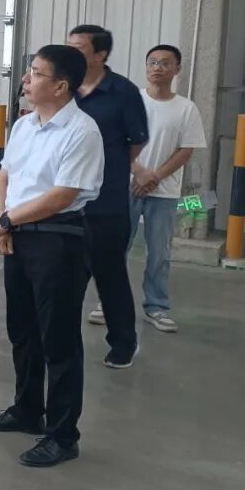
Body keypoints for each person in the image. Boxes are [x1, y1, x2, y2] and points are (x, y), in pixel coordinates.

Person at [0, 45, 103, 468]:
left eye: (35, 73)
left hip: (57, 240)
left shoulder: (82, 132)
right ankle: (27, 409)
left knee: (59, 340)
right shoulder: (24, 125)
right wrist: (0, 222)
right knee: (23, 331)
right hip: (17, 236)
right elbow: (4, 176)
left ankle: (63, 435)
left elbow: (62, 195)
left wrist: (6, 220)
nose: (26, 80)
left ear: (61, 85)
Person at [68, 24, 148, 369]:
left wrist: (108, 167)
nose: (70, 53)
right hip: (64, 200)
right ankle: (62, 341)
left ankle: (123, 342)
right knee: (66, 277)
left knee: (109, 275)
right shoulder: (63, 87)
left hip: (106, 201)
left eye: (79, 48)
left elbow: (137, 140)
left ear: (100, 54)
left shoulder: (122, 92)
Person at [129, 45, 206, 333]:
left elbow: (186, 150)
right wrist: (138, 172)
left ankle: (156, 306)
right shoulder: (131, 101)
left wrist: (154, 177)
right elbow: (116, 141)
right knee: (115, 248)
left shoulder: (186, 108)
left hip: (164, 192)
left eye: (164, 63)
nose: (157, 68)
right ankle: (108, 302)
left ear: (177, 69)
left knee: (159, 253)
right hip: (127, 187)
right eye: (152, 62)